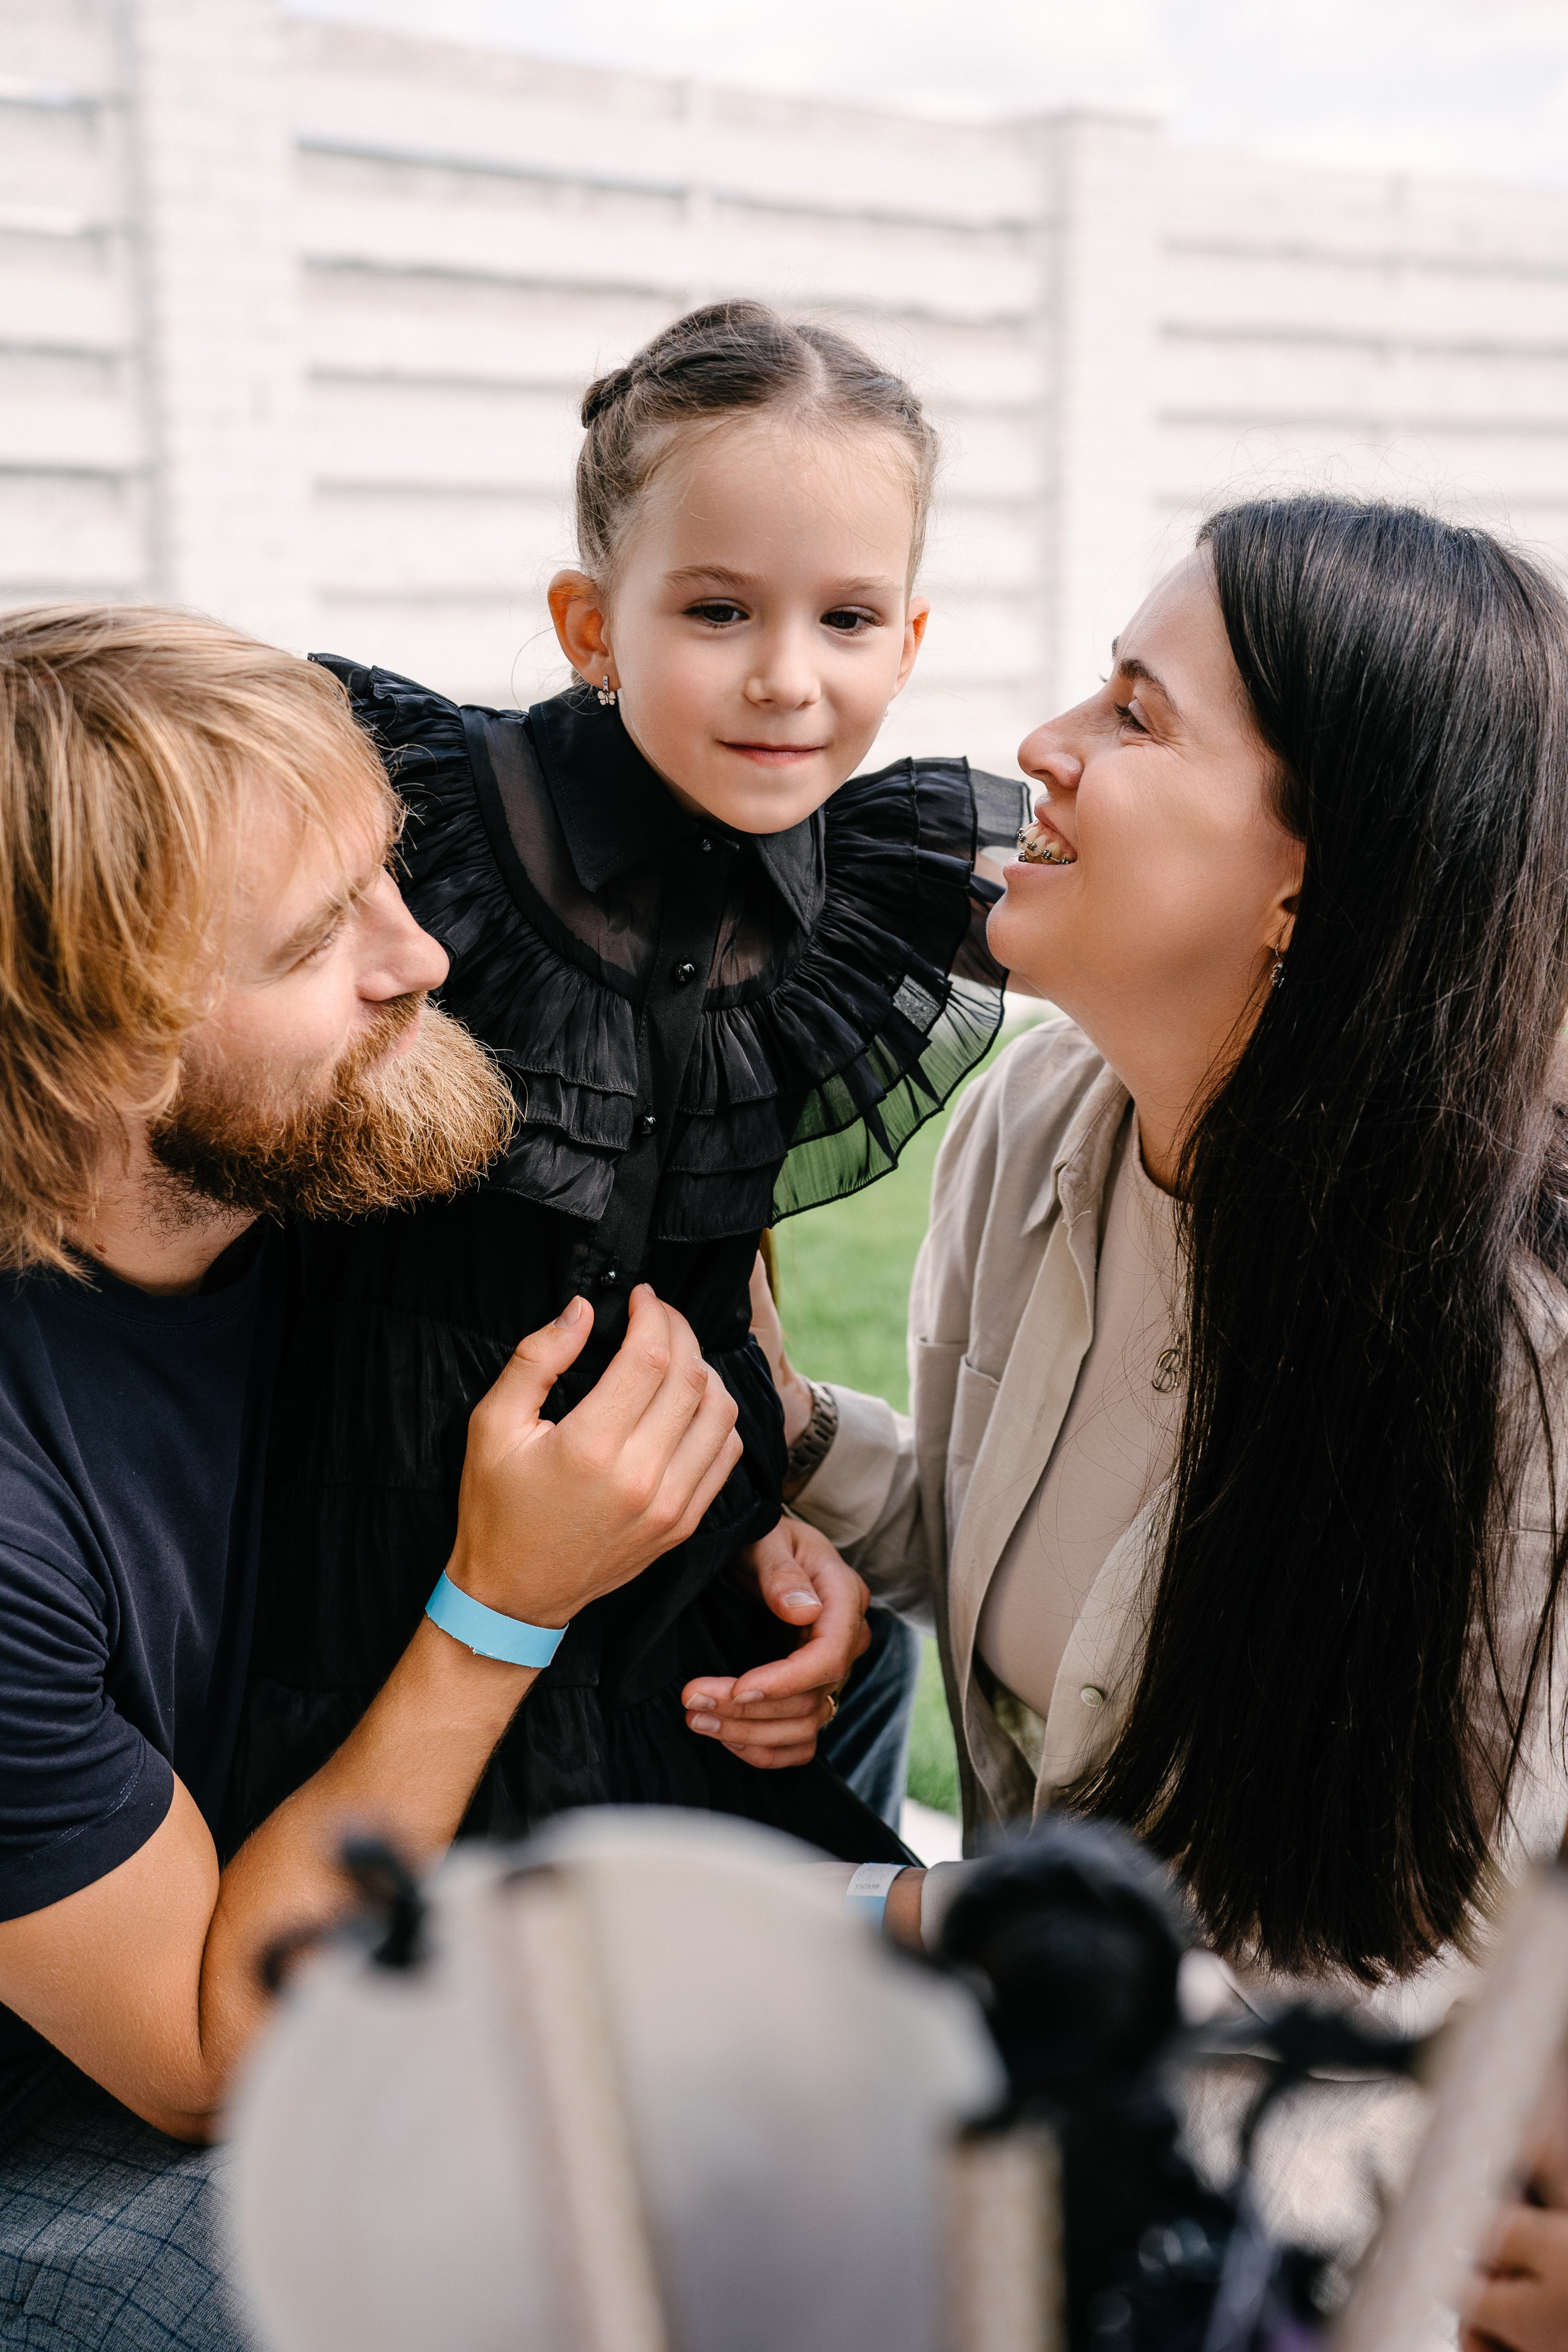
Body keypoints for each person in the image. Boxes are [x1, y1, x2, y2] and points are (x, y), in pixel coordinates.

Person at [0, 605, 752, 2348]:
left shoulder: (318, 1144)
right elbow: (205, 2050)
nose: (419, 958)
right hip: (74, 2052)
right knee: (312, 2264)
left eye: (386, 875)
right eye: (317, 937)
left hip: (261, 1832)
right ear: (104, 1053)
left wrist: (751, 1524)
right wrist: (505, 1604)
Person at [734, 495, 1568, 2011]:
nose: (1043, 744)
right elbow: (1004, 1542)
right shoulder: (1038, 1120)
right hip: (1019, 2083)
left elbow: (1404, 1965)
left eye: (1133, 715)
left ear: (1307, 883)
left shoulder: (1523, 1352)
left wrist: (880, 1919)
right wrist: (780, 1422)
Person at [228, 300, 1025, 1859]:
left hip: (676, 1587)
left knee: (799, 1983)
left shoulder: (864, 898)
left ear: (909, 639)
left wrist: (774, 1515)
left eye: (848, 620)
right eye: (718, 612)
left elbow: (714, 1233)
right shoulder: (420, 807)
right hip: (386, 1548)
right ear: (593, 625)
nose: (788, 679)